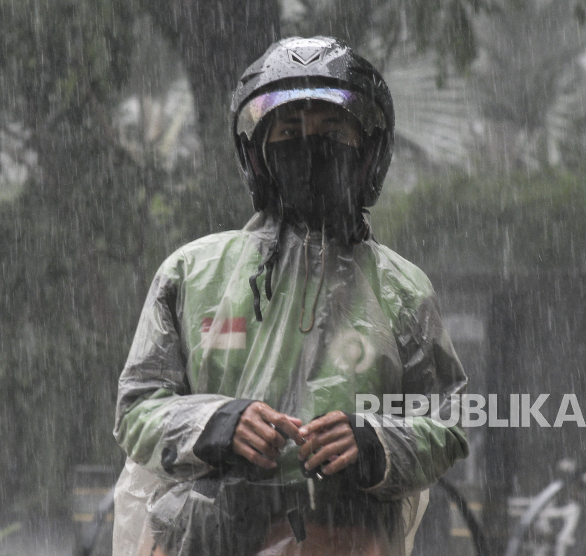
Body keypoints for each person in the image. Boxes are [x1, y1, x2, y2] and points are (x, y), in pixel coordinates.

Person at [112, 36, 469, 556]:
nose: (310, 146)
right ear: (258, 154)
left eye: (332, 131)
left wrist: (371, 441)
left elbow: (450, 421)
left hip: (342, 541)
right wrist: (218, 425)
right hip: (200, 541)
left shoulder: (401, 289)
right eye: (289, 132)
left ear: (369, 152)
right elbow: (136, 411)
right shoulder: (192, 274)